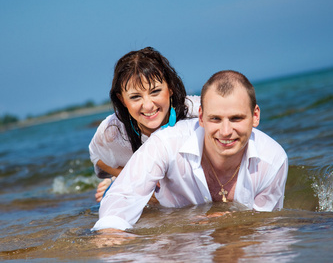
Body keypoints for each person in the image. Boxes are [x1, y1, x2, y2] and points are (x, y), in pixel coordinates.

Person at [92, 70, 288, 231]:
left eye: (236, 118)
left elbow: (265, 230)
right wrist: (112, 235)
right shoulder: (165, 142)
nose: (226, 132)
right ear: (201, 117)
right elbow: (122, 198)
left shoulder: (273, 160)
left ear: (255, 116)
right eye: (215, 119)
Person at [89, 47, 200, 202]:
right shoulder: (112, 130)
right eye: (135, 97)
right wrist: (130, 178)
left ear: (171, 88)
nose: (148, 106)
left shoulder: (198, 113)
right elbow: (97, 157)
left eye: (155, 92)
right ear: (122, 100)